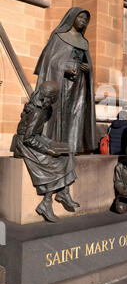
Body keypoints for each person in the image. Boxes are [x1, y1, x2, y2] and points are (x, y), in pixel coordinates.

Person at [11, 82, 79, 223]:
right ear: (51, 97)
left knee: (67, 154)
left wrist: (52, 143)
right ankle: (46, 202)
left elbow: (37, 134)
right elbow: (28, 138)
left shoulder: (44, 108)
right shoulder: (37, 111)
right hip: (24, 144)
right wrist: (48, 149)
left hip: (34, 139)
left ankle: (63, 193)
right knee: (53, 163)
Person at [34, 7, 97, 154]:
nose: (83, 21)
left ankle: (73, 146)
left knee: (77, 112)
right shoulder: (59, 36)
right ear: (72, 17)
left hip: (79, 84)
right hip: (62, 81)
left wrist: (89, 69)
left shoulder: (84, 42)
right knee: (60, 112)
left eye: (85, 19)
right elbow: (49, 62)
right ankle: (56, 144)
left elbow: (87, 62)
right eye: (80, 17)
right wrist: (64, 69)